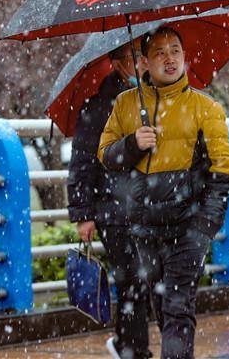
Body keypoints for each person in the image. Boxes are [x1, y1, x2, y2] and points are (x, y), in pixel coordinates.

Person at [98, 27, 229, 359]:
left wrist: (205, 226)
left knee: (177, 309)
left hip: (187, 228)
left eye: (176, 50)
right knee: (162, 307)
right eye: (160, 53)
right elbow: (105, 155)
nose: (169, 58)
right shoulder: (126, 104)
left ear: (185, 56)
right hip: (144, 229)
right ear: (144, 61)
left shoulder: (206, 108)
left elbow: (223, 171)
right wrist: (133, 144)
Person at [67, 44, 152, 359]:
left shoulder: (150, 100)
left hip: (144, 205)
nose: (140, 65)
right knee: (133, 279)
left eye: (142, 59)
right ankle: (134, 350)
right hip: (111, 208)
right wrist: (83, 214)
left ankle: (125, 344)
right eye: (132, 59)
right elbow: (82, 162)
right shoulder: (99, 106)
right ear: (116, 64)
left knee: (140, 280)